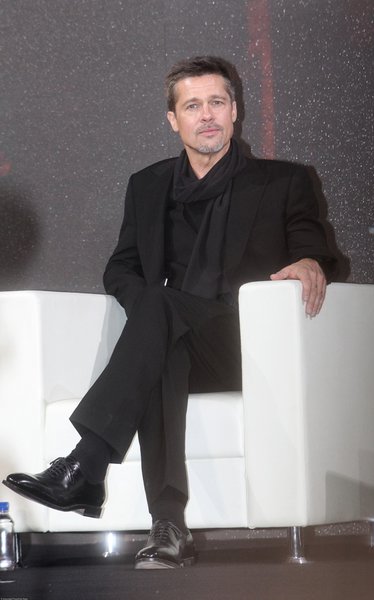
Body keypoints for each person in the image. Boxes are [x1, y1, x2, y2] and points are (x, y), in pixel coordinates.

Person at [3, 56, 336, 569]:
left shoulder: (283, 182)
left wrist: (312, 262)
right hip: (177, 339)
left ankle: (85, 465)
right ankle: (169, 528)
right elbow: (121, 269)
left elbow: (317, 251)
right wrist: (152, 316)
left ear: (235, 111)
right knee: (162, 347)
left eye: (217, 103)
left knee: (160, 323)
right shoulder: (148, 185)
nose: (207, 115)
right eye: (193, 105)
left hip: (247, 345)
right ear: (172, 119)